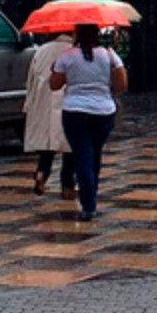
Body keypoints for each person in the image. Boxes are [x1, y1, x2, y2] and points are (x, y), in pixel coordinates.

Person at [50, 24, 127, 221]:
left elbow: (54, 84)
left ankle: (88, 204)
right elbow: (121, 85)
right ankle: (91, 196)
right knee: (95, 154)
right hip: (103, 111)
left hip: (74, 111)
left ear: (76, 34)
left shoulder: (67, 56)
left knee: (82, 155)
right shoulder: (109, 55)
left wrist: (63, 72)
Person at [24, 32, 76, 199]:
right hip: (68, 101)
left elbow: (31, 79)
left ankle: (42, 173)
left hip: (42, 100)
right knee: (70, 146)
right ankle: (68, 184)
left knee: (47, 145)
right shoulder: (74, 51)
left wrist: (28, 104)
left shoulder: (41, 51)